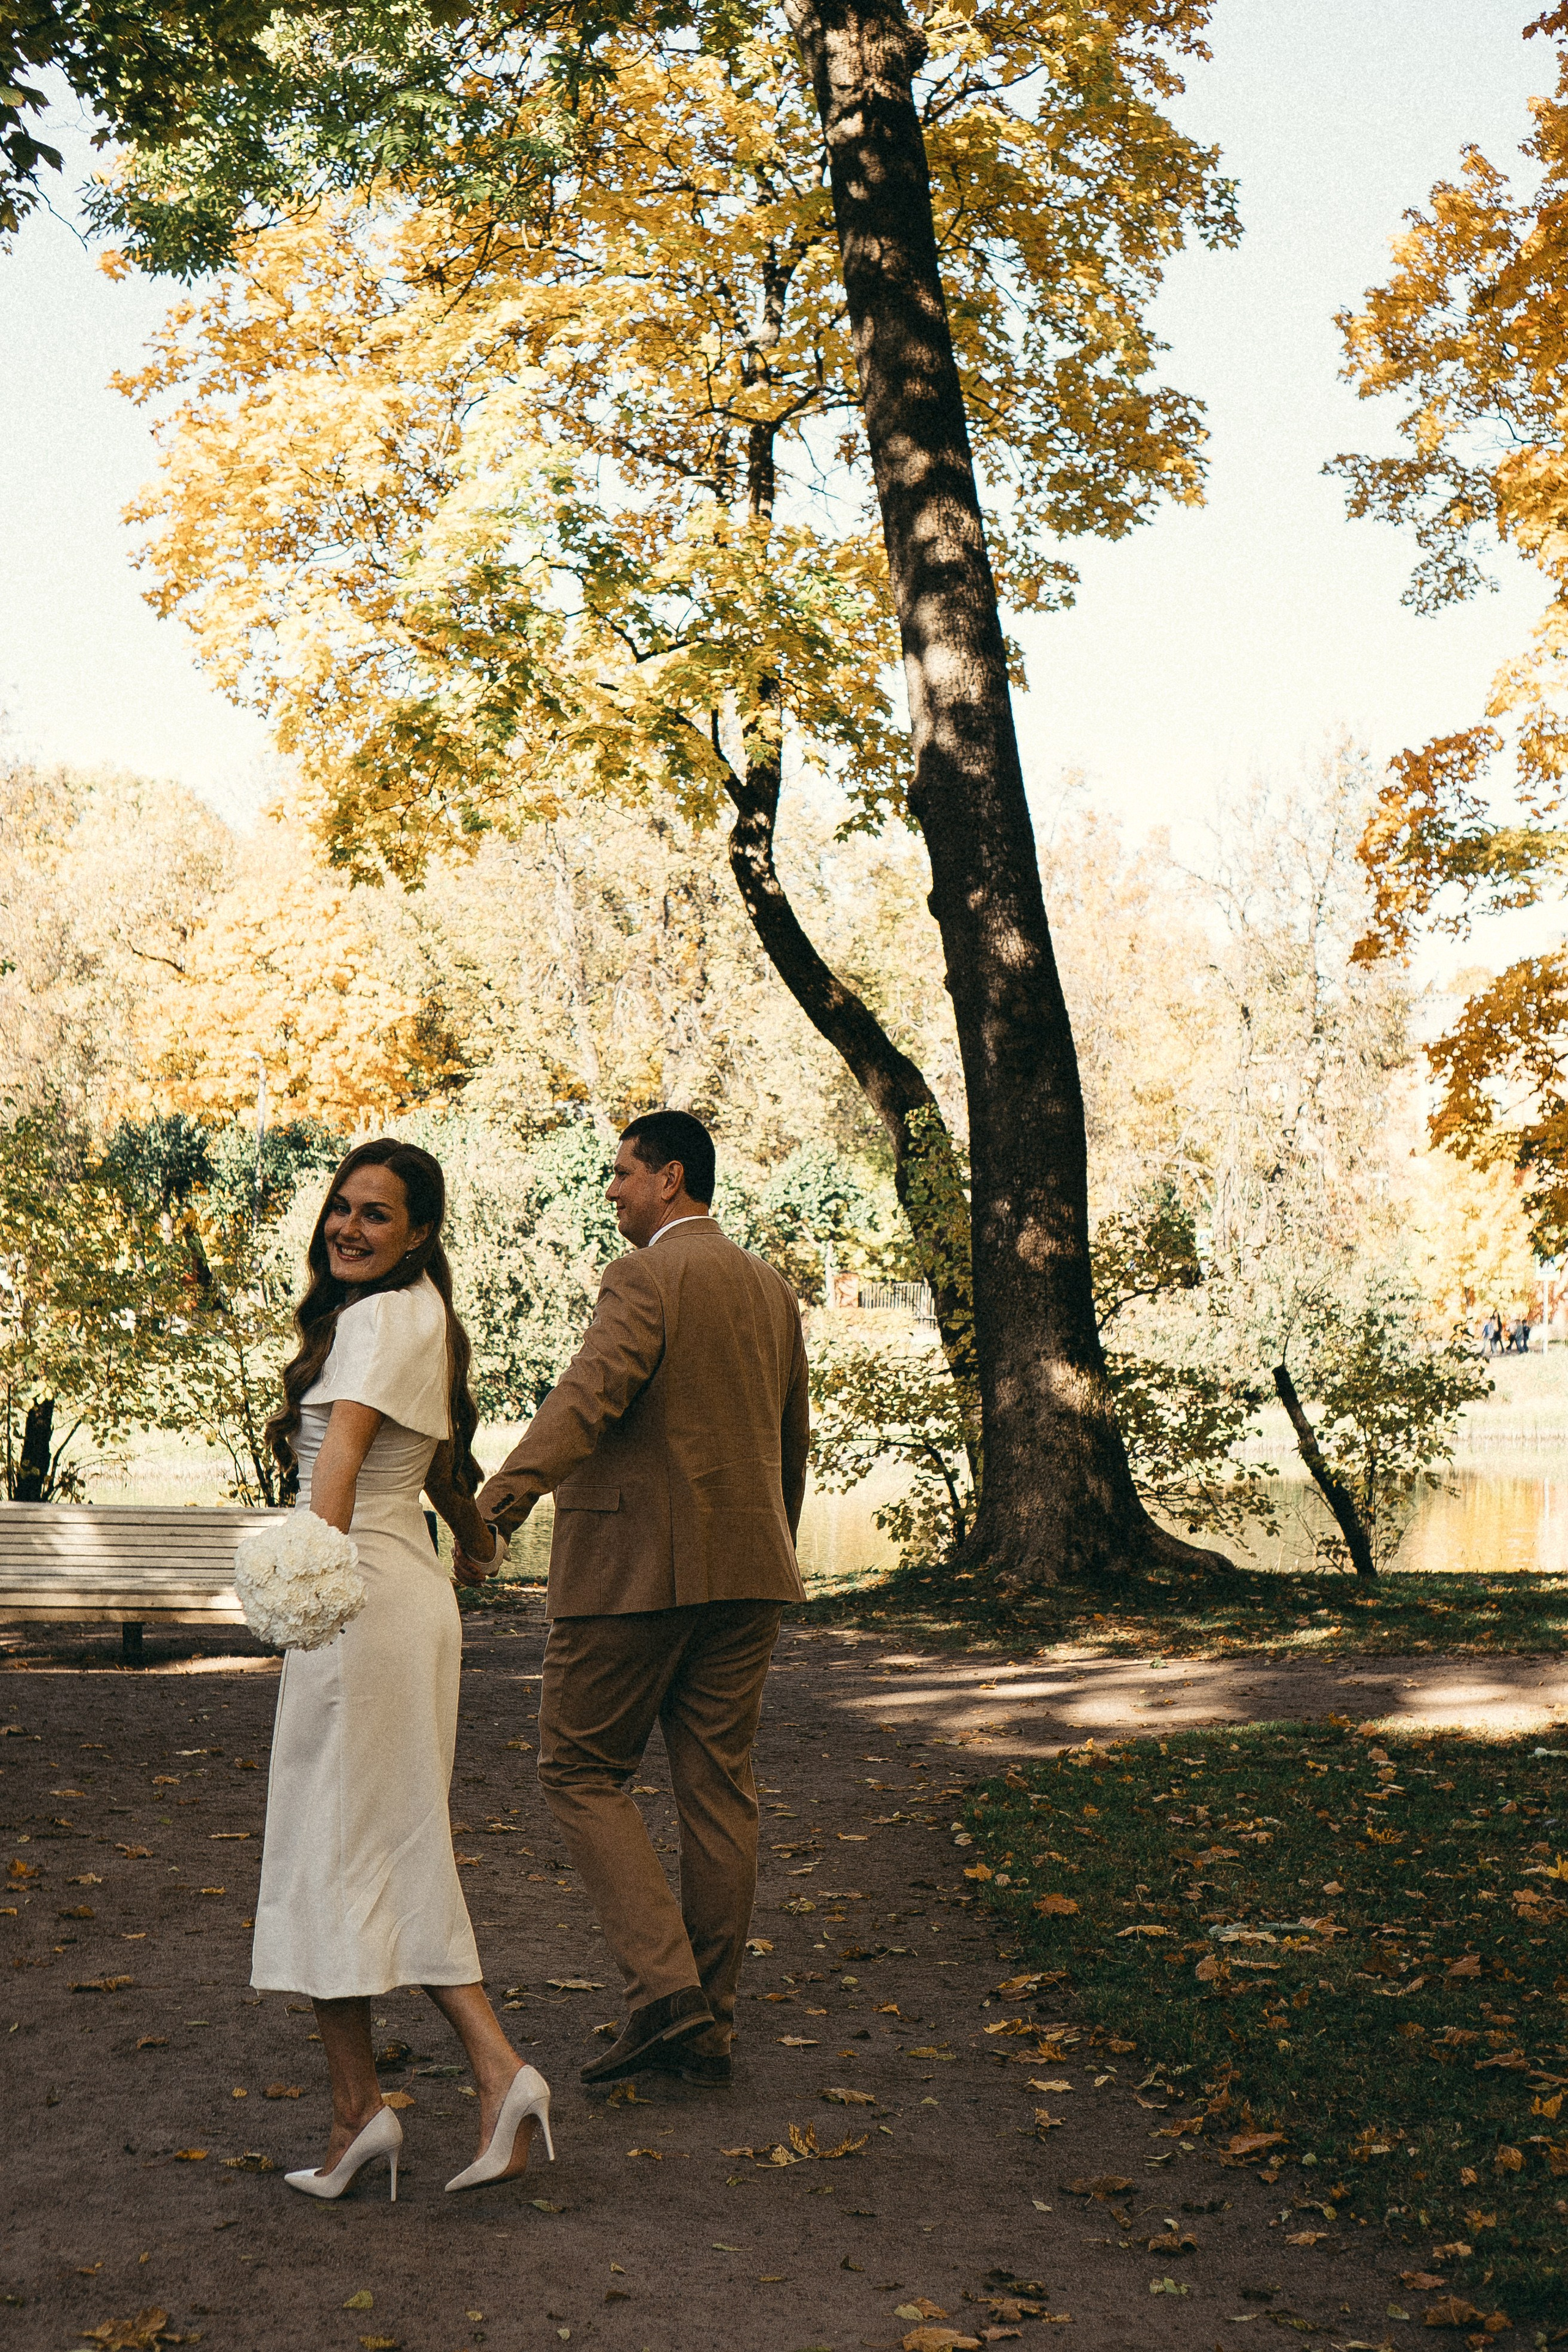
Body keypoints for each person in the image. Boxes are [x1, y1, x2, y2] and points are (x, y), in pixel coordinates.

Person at [455, 1110, 809, 2089]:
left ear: (671, 1178)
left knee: (576, 1768)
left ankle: (666, 1994)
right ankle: (711, 2024)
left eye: (622, 1175)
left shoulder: (646, 1274)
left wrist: (497, 1501)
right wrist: (767, 1546)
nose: (610, 1191)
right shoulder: (772, 1288)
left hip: (633, 1576)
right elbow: (794, 1441)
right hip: (747, 1575)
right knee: (718, 1790)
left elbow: (587, 1396)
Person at [252, 1138, 551, 2201]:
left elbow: (338, 1469)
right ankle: (365, 2110)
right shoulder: (422, 1315)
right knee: (357, 1848)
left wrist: (296, 1592)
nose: (348, 1227)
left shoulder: (378, 1318)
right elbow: (428, 1467)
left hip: (358, 1605)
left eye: (377, 1215)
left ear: (420, 1231)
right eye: (342, 1207)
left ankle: (478, 2074)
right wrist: (473, 1535)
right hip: (399, 1592)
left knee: (342, 1850)